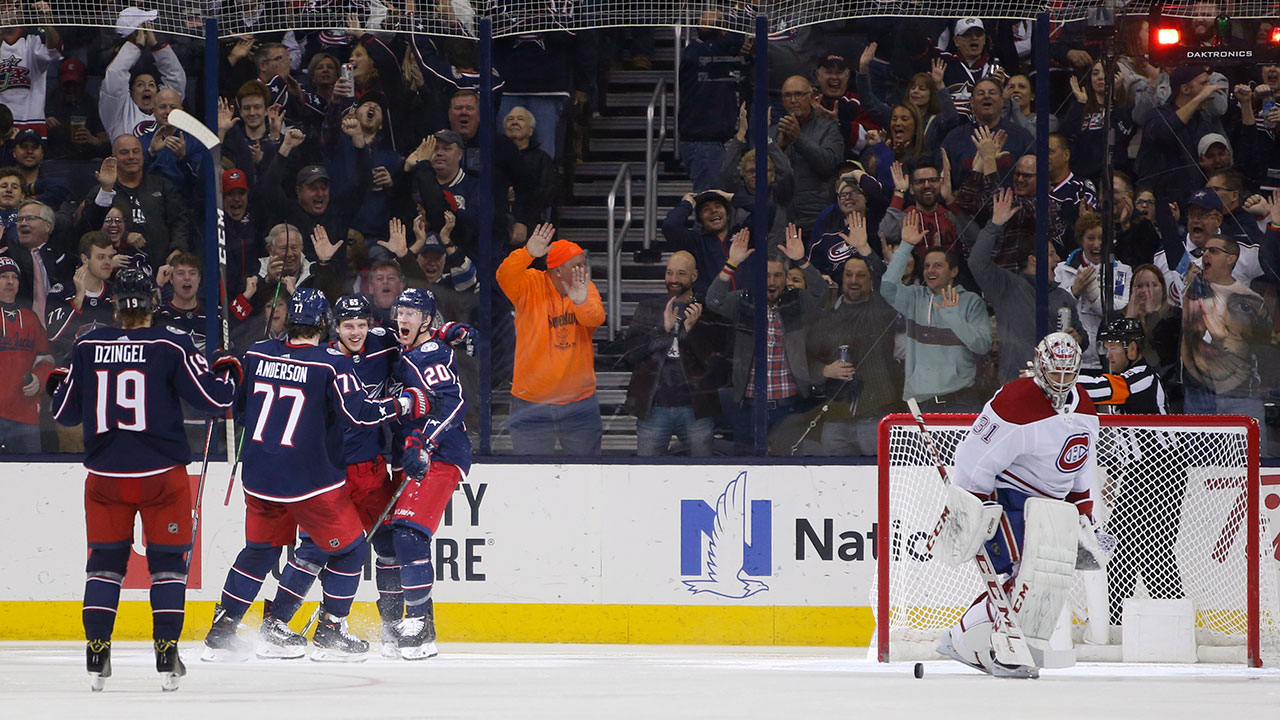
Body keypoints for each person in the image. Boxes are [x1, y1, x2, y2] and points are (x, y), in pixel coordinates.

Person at [48, 268, 239, 691]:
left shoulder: (88, 343)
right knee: (168, 567)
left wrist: (55, 383)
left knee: (104, 566)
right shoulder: (171, 342)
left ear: (115, 304)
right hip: (161, 478)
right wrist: (228, 370)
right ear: (154, 301)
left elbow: (64, 413)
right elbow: (216, 399)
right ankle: (166, 654)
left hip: (104, 480)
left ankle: (97, 654)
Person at [202, 289, 411, 663]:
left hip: (260, 478)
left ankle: (223, 626)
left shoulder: (256, 352)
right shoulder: (329, 363)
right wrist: (404, 403)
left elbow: (233, 402)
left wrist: (222, 362)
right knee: (351, 549)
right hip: (308, 481)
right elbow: (360, 414)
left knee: (259, 551)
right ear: (325, 324)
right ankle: (331, 630)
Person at [935, 332, 1100, 678]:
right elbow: (972, 456)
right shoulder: (1015, 401)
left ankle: (973, 641)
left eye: (1068, 374)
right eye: (1055, 373)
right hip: (1010, 497)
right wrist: (971, 507)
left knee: (1042, 582)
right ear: (1041, 366)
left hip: (1052, 510)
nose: (1061, 381)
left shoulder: (1084, 406)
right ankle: (978, 644)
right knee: (1019, 579)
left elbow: (1081, 461)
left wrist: (1083, 510)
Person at [259, 294, 405, 659]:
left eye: (361, 325)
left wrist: (455, 332)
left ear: (371, 323)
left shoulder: (385, 344)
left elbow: (419, 336)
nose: (355, 333)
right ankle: (280, 621)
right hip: (329, 472)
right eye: (347, 326)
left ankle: (391, 629)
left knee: (387, 548)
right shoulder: (320, 359)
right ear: (333, 326)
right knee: (315, 548)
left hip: (370, 469)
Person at [386, 288, 473, 659]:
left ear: (426, 319)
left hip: (440, 452)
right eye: (401, 311)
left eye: (413, 312)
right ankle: (414, 623)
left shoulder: (432, 353)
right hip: (412, 454)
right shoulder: (406, 348)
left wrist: (421, 439)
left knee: (407, 535)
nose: (404, 318)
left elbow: (454, 404)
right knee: (395, 540)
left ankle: (419, 625)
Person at [1076, 318, 1179, 626]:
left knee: (1154, 553)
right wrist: (1120, 474)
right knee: (1122, 553)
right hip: (1137, 475)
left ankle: (1172, 624)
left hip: (1162, 473)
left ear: (1133, 348)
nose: (1109, 354)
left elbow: (1107, 391)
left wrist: (1061, 375)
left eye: (1114, 347)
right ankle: (1116, 624)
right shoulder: (1126, 378)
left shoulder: (1143, 376)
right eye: (1105, 348)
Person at [706, 226, 826, 454]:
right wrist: (731, 264)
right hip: (749, 408)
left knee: (788, 468)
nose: (772, 281)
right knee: (746, 465)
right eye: (767, 275)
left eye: (778, 275)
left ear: (786, 277)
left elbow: (821, 294)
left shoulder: (796, 302)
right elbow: (714, 301)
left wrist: (801, 261)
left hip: (788, 408)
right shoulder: (745, 302)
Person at [496, 223, 604, 455]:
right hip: (532, 404)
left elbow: (595, 319)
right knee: (529, 477)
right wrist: (527, 253)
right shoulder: (530, 284)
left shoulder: (586, 288)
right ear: (556, 271)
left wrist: (580, 301)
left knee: (587, 476)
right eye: (576, 267)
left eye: (583, 265)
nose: (582, 272)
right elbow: (504, 275)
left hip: (579, 404)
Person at [966, 188, 1087, 384]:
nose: (1057, 259)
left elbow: (1083, 338)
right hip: (1016, 382)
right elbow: (977, 262)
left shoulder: (1062, 297)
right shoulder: (1006, 286)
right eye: (1050, 254)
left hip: (1057, 384)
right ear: (1033, 259)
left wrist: (1079, 339)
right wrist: (994, 225)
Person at [882, 213, 992, 412]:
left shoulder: (971, 302)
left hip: (960, 400)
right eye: (927, 266)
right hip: (920, 402)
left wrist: (953, 317)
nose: (930, 270)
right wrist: (906, 246)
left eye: (938, 265)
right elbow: (887, 288)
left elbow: (982, 345)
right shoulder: (914, 297)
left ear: (954, 271)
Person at [622, 251, 722, 456]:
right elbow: (630, 354)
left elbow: (716, 364)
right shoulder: (649, 308)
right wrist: (663, 330)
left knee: (704, 475)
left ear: (694, 276)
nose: (674, 279)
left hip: (696, 408)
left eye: (681, 274)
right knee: (648, 475)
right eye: (669, 273)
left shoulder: (707, 311)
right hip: (654, 407)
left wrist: (691, 331)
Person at [803, 253, 900, 455]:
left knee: (877, 478)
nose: (854, 281)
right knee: (833, 478)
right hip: (836, 417)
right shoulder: (826, 317)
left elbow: (887, 279)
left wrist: (866, 250)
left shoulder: (881, 309)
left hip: (875, 415)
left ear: (871, 280)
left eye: (861, 275)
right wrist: (825, 370)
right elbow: (807, 362)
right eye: (849, 275)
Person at [99, 15, 187, 139]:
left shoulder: (166, 112)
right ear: (131, 92)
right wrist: (136, 45)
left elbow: (177, 77)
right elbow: (115, 74)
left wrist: (155, 44)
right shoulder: (119, 113)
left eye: (151, 84)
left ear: (158, 93)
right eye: (140, 84)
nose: (146, 88)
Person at [773, 75, 844, 231]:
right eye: (787, 95)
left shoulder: (828, 128)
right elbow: (761, 177)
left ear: (812, 97)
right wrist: (780, 149)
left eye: (798, 94)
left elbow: (829, 166)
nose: (792, 100)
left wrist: (798, 139)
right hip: (781, 221)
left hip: (818, 219)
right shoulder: (773, 133)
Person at [0, 256, 52, 453]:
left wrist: (39, 380)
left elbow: (46, 360)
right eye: (4, 276)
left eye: (14, 277)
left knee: (30, 475)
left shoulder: (30, 319)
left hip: (25, 416)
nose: (10, 282)